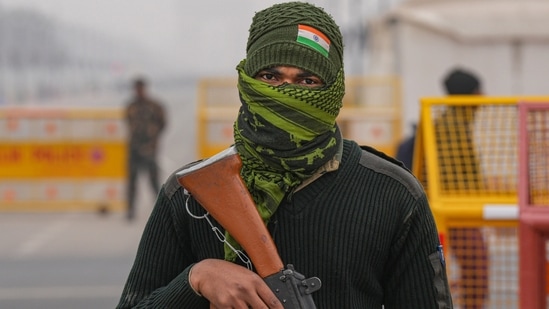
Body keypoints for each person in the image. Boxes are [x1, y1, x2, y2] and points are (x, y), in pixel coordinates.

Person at [116, 2, 453, 308]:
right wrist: (196, 281)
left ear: (332, 92)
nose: (286, 92)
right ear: (248, 80)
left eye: (306, 80)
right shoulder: (191, 194)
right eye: (270, 76)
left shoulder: (391, 193)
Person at [435, 68, 488, 308]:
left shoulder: (453, 123)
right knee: (477, 268)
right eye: (479, 92)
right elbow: (453, 174)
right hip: (456, 209)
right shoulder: (451, 128)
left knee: (470, 270)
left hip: (455, 207)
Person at [124, 77, 166, 221]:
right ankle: (130, 210)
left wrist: (152, 137)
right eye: (137, 88)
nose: (139, 91)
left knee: (154, 181)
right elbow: (128, 122)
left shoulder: (154, 106)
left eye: (141, 88)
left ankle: (161, 211)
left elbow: (163, 123)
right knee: (132, 182)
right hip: (134, 148)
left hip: (149, 148)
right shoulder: (131, 106)